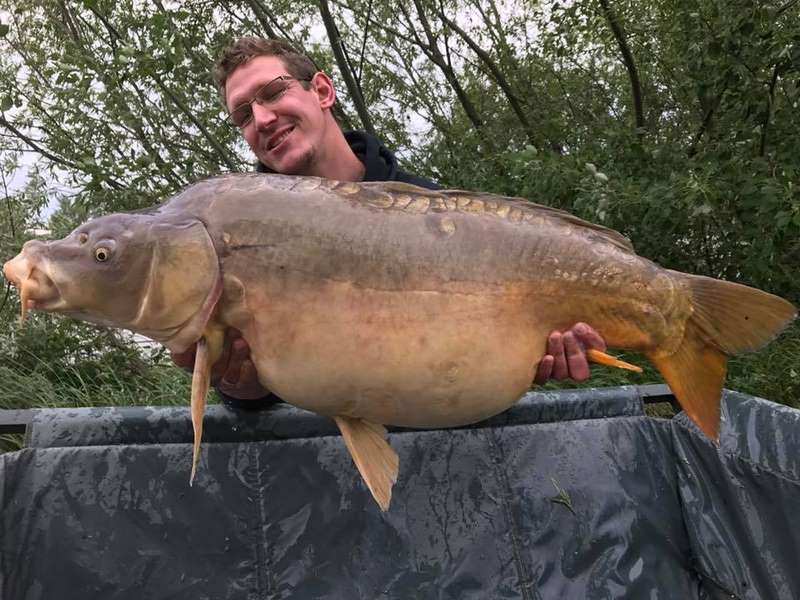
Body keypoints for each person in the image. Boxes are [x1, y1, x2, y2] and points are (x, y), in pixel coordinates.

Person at [172, 37, 606, 408]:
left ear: (322, 91)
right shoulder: (236, 243)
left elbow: (471, 368)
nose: (262, 119)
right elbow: (262, 396)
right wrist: (238, 386)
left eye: (272, 92)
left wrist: (533, 356)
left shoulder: (439, 213)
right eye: (244, 116)